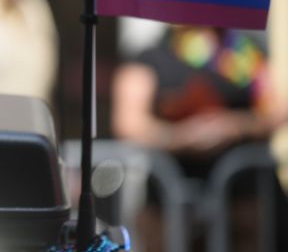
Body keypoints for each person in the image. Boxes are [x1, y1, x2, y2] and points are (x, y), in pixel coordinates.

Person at [111, 25, 286, 251]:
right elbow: (128, 123)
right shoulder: (154, 54)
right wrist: (181, 137)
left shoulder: (243, 50)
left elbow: (275, 110)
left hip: (244, 198)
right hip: (171, 202)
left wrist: (233, 127)